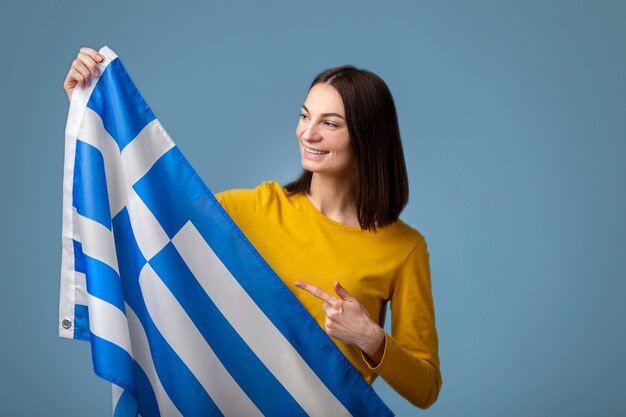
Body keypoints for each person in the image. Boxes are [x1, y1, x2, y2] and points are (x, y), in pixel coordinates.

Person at [63, 47, 442, 409]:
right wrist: (90, 113)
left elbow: (425, 389)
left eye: (330, 124)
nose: (308, 134)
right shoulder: (247, 210)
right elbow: (141, 217)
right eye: (305, 115)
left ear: (367, 137)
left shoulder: (404, 248)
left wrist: (372, 339)